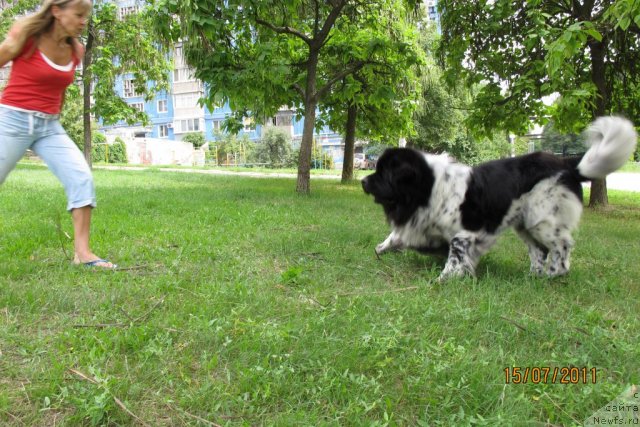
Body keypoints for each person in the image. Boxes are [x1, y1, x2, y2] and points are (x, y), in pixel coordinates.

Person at [0, 0, 116, 269]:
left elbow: (58, 90)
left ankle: (83, 254)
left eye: (85, 16)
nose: (83, 21)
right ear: (57, 11)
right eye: (78, 15)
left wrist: (52, 119)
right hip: (13, 119)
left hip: (49, 126)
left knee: (81, 176)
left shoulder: (76, 50)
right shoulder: (27, 36)